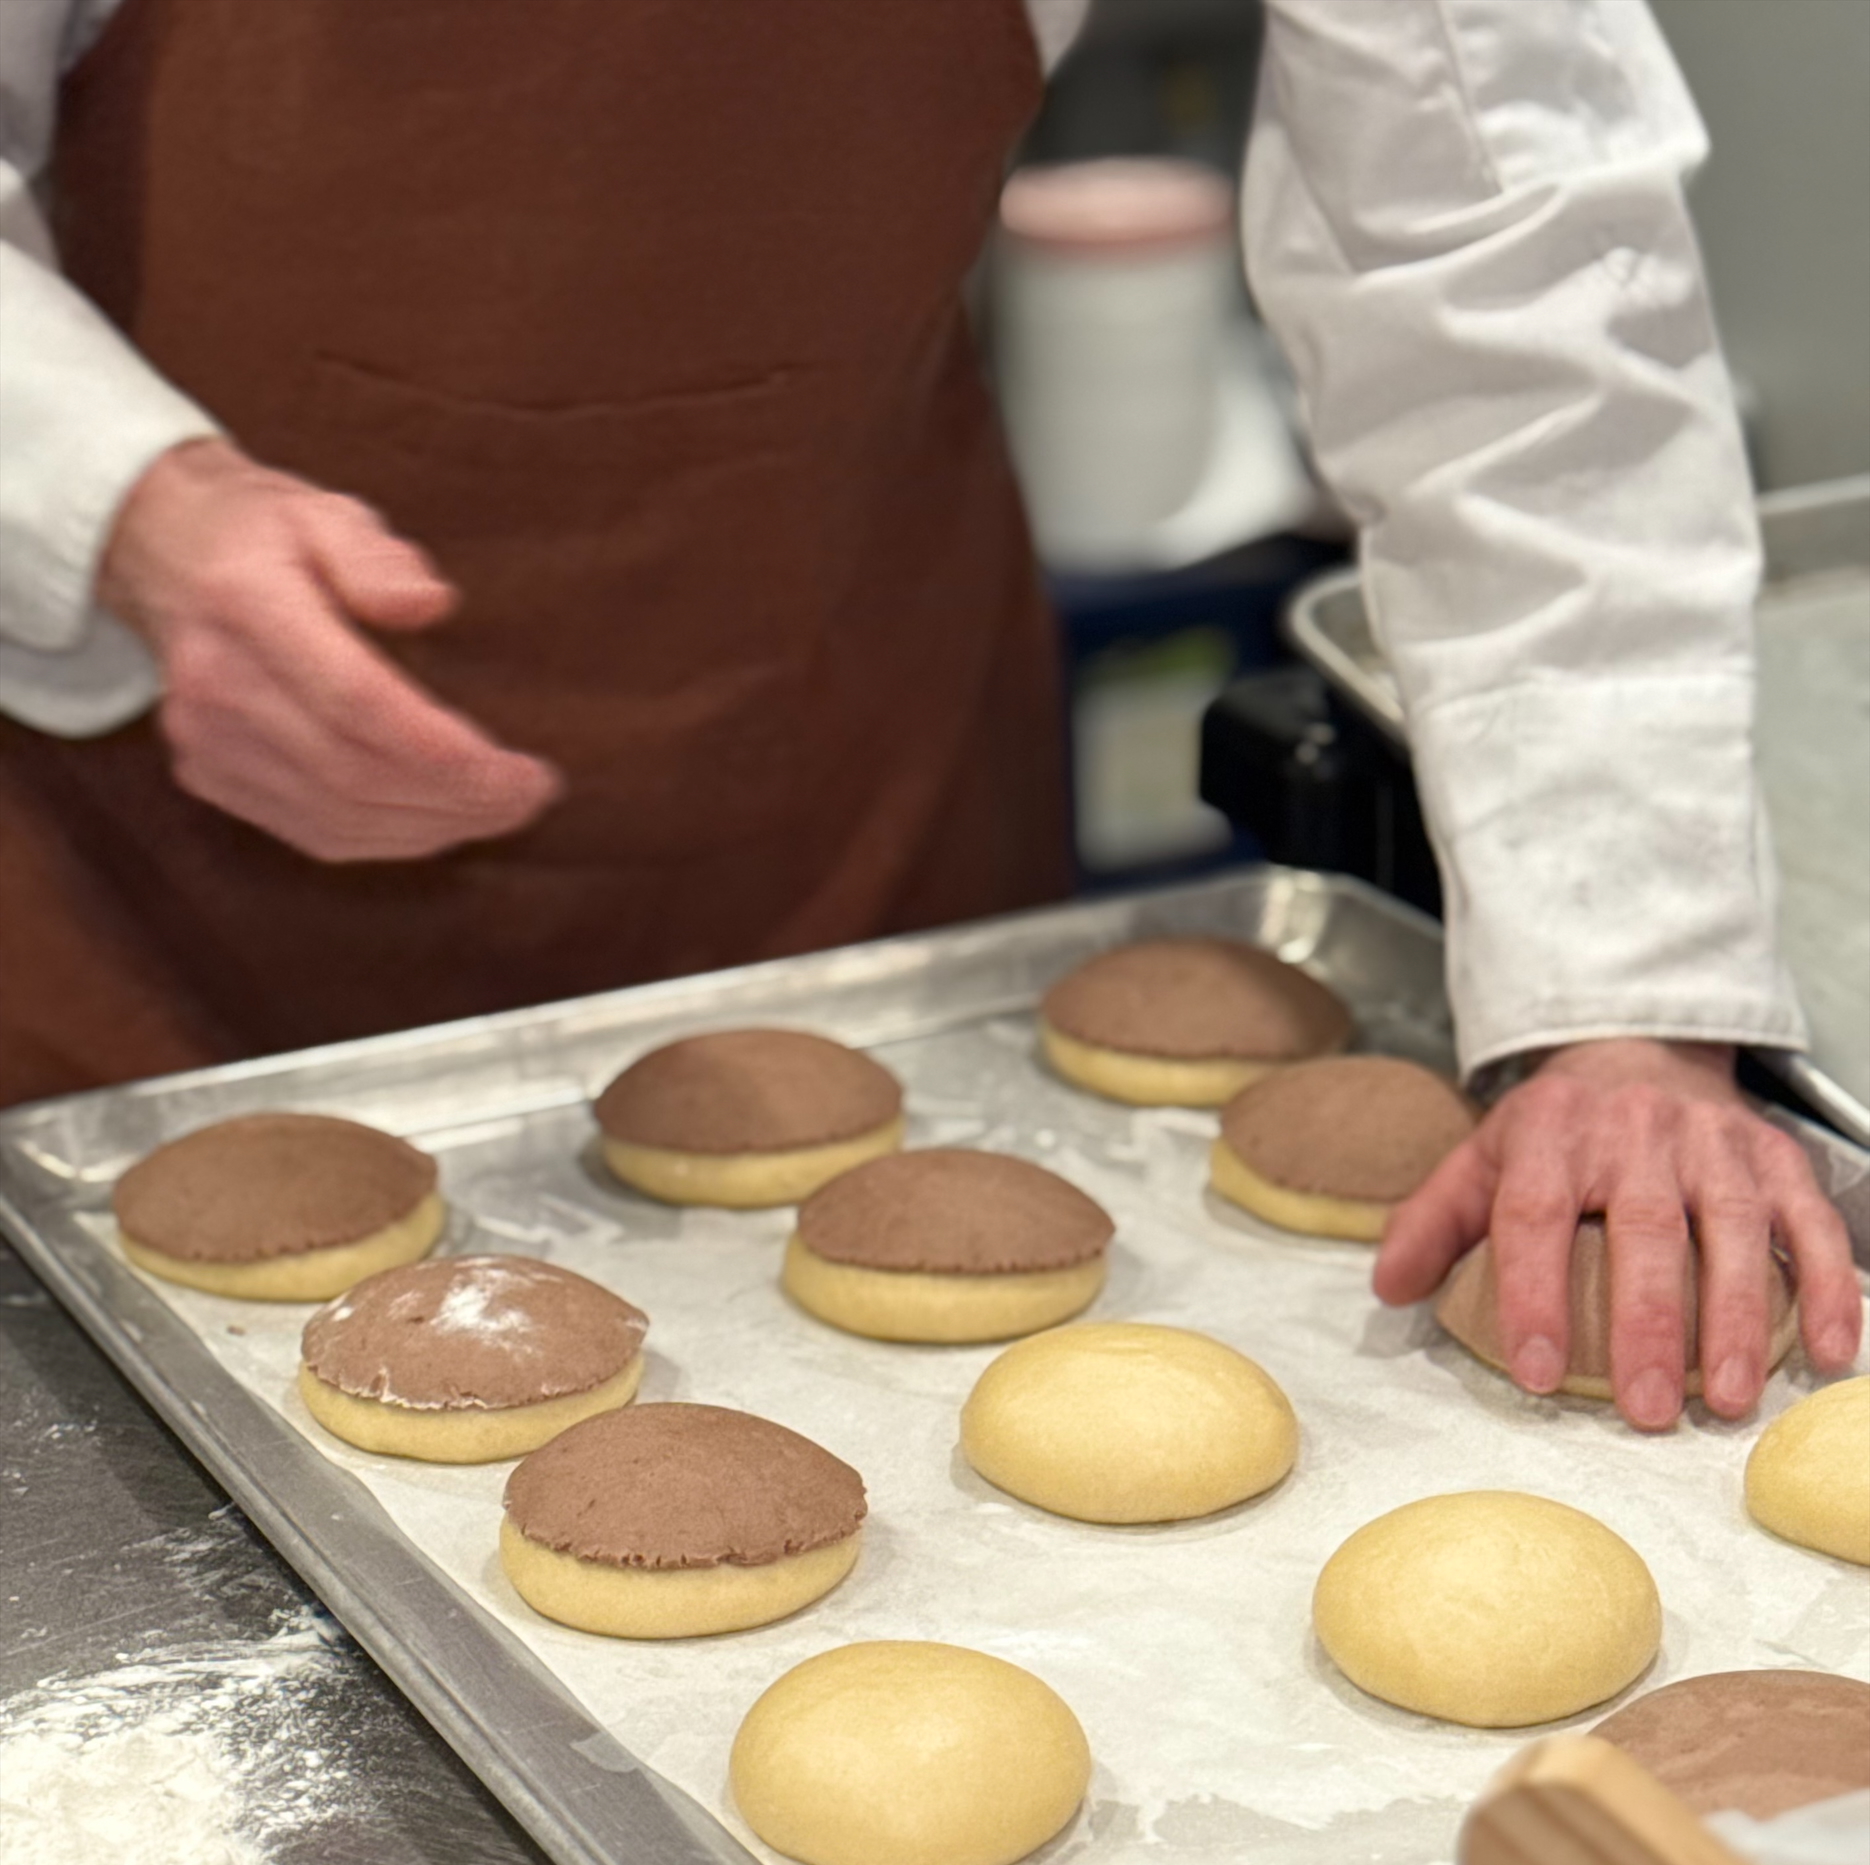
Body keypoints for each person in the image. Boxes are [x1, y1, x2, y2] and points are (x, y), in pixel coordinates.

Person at [0, 0, 1857, 1428]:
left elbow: (1508, 253)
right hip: (130, 840)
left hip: (838, 755)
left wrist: (1622, 999)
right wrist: (117, 507)